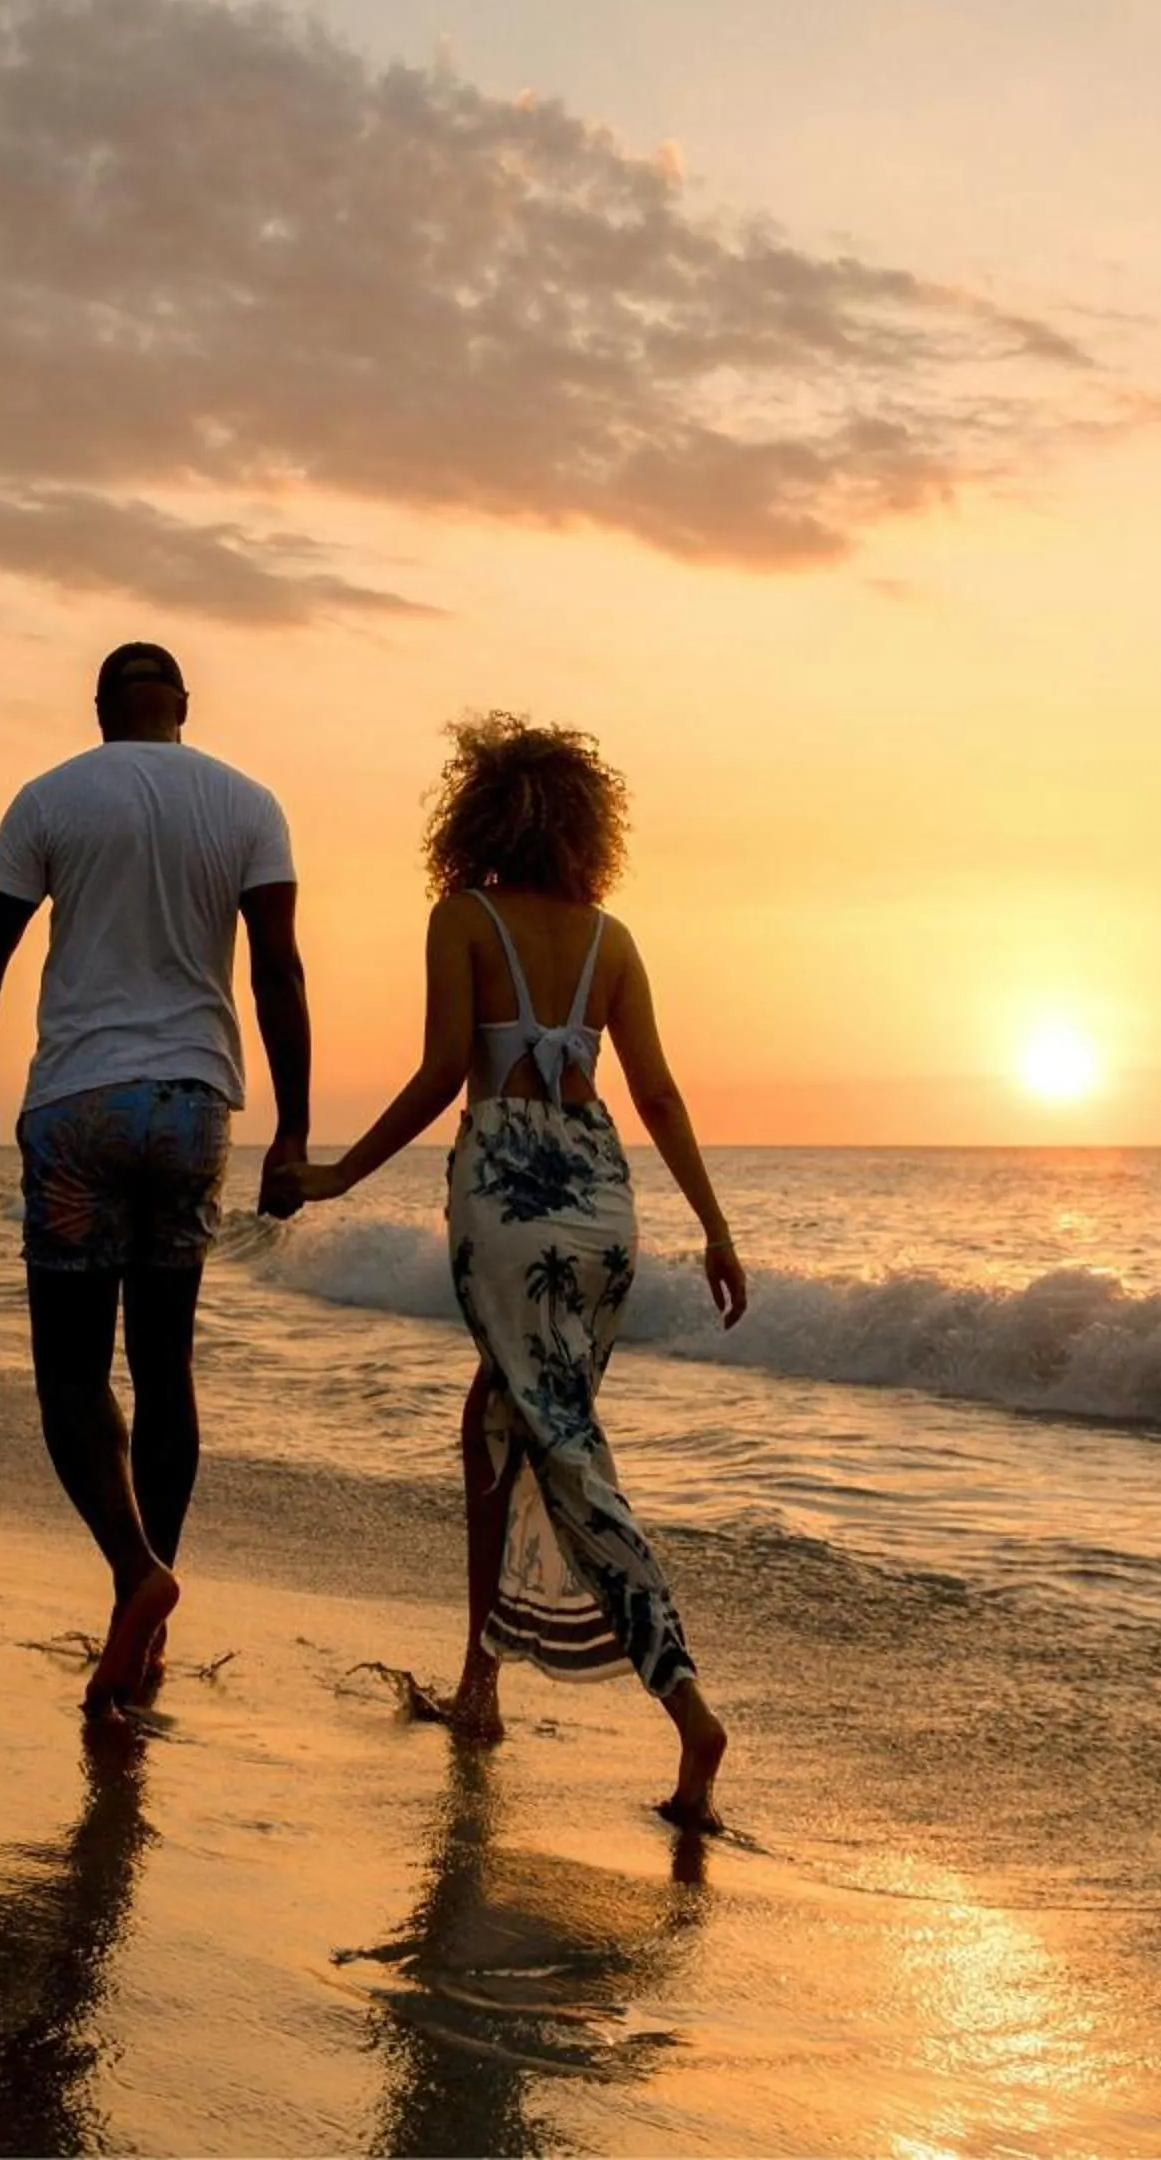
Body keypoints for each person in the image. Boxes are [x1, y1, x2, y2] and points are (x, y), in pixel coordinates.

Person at [265, 713, 745, 1829]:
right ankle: (479, 1681)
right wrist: (715, 1230)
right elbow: (659, 1097)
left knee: (564, 1451)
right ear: (583, 825)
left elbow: (444, 1072)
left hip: (506, 1198)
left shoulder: (460, 918)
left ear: (478, 814)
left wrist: (336, 1178)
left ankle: (687, 1709)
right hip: (600, 1205)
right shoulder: (609, 941)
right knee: (506, 1419)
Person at [0, 643, 310, 1718]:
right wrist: (291, 1128)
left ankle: (133, 1573)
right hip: (193, 1107)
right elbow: (278, 969)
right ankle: (142, 1639)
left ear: (99, 710)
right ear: (183, 710)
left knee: (69, 1375)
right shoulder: (247, 803)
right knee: (163, 1368)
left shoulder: (50, 796)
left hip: (77, 1105)